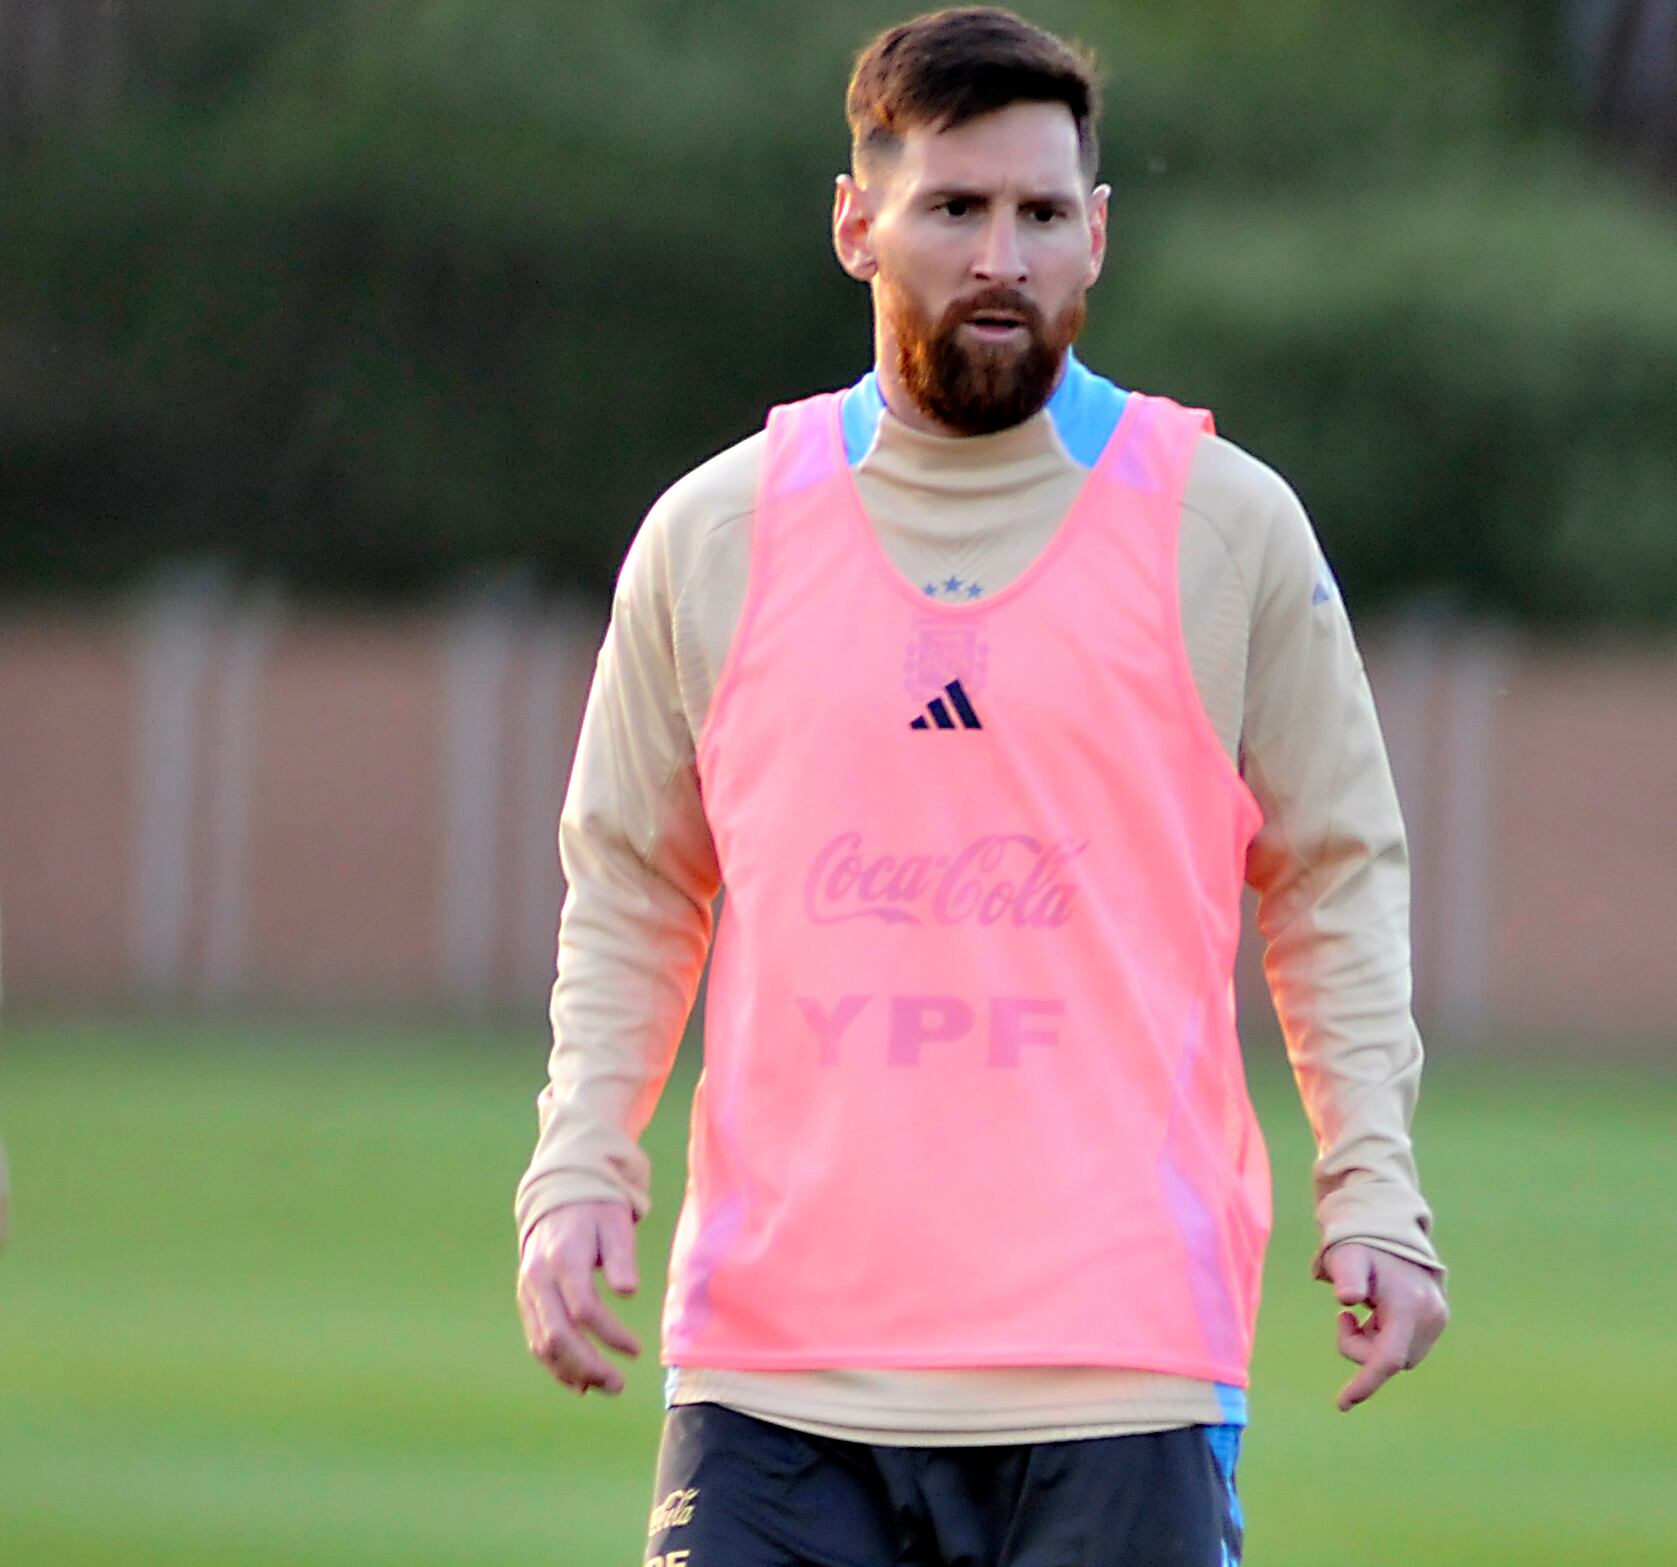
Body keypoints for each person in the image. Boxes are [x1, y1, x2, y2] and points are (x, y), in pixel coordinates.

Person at [514, 9, 1446, 1563]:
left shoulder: (1226, 528)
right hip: (774, 1369)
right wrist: (580, 1158)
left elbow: (1336, 876)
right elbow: (633, 882)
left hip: (1117, 1368)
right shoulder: (715, 534)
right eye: (954, 207)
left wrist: (1376, 1189)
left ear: (1097, 237)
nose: (999, 254)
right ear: (855, 224)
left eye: (1037, 213)